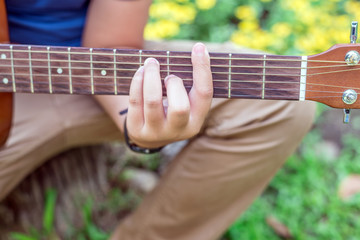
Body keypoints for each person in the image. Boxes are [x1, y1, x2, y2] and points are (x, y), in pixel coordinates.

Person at [0, 0, 316, 239]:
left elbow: (110, 41)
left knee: (280, 104)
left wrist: (135, 122)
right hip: (9, 94)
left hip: (87, 72)